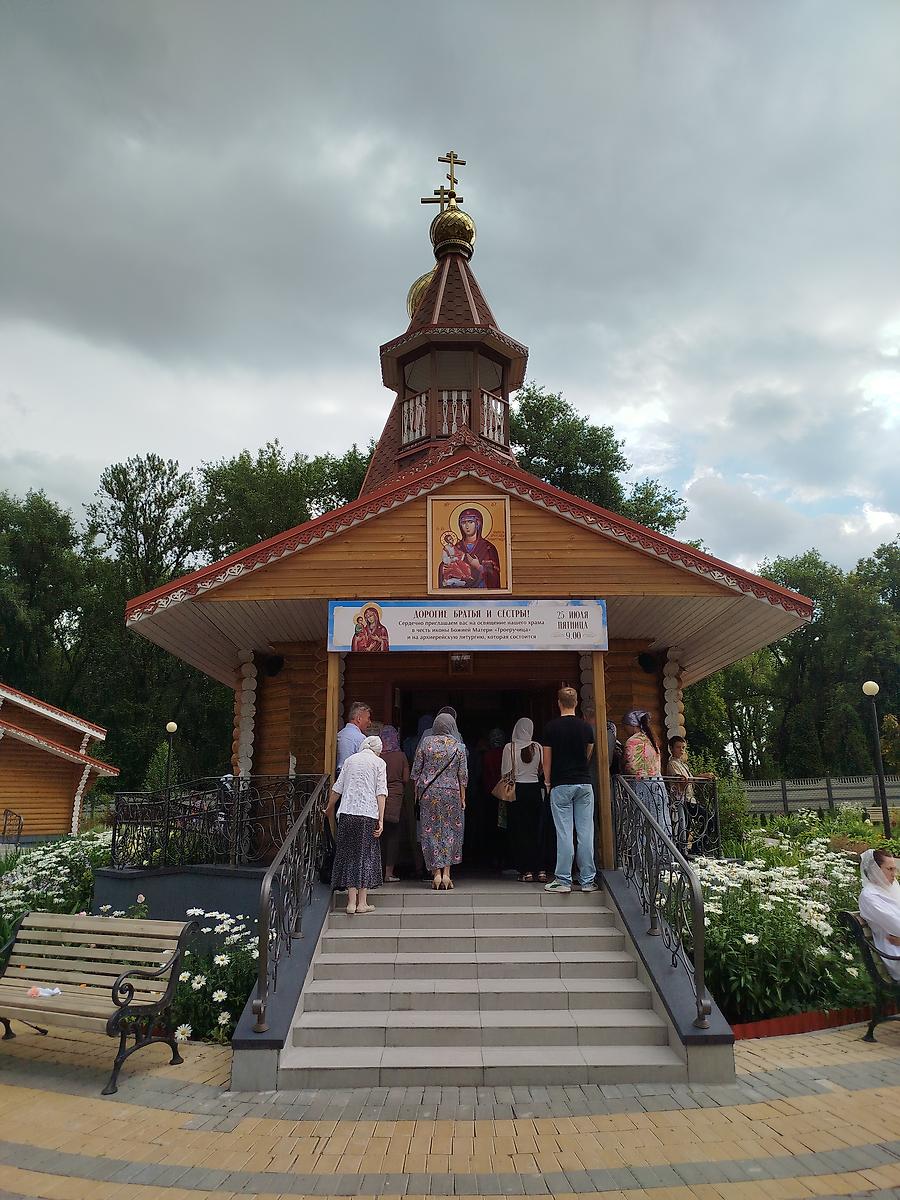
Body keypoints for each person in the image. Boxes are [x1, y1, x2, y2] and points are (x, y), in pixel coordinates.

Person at [541, 687, 597, 894]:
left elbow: (547, 759)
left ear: (559, 703)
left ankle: (563, 880)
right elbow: (588, 752)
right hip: (584, 783)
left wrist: (547, 782)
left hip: (561, 783)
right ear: (576, 703)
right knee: (585, 832)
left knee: (564, 833)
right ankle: (587, 880)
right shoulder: (586, 728)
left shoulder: (551, 728)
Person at [325, 735, 387, 915]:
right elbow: (381, 792)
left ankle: (350, 903)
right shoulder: (379, 763)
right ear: (377, 750)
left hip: (347, 814)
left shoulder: (350, 761)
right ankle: (362, 903)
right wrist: (381, 819)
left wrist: (329, 808)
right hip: (367, 815)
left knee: (349, 855)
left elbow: (338, 787)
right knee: (365, 857)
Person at [411, 712, 468, 890]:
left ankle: (436, 873)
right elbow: (463, 776)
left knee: (431, 831)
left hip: (429, 793)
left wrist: (416, 793)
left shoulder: (426, 743)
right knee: (451, 830)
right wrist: (463, 797)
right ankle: (447, 874)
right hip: (452, 793)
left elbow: (416, 772)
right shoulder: (458, 746)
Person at [502, 718, 544, 882]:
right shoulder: (538, 747)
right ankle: (540, 869)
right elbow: (541, 770)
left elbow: (505, 772)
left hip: (517, 791)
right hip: (534, 789)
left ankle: (526, 870)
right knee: (536, 830)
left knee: (520, 831)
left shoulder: (509, 748)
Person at [621, 710, 671, 838]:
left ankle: (642, 857)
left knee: (640, 824)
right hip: (658, 784)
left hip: (641, 786)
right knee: (659, 823)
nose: (624, 729)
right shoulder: (651, 740)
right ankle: (663, 856)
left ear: (632, 725)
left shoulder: (632, 742)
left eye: (625, 726)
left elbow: (631, 767)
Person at [667, 736, 716, 854]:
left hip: (690, 799)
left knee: (687, 826)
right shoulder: (672, 764)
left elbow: (689, 778)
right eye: (678, 747)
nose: (681, 750)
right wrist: (702, 776)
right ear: (671, 749)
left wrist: (702, 776)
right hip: (682, 800)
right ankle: (691, 849)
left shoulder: (682, 764)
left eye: (683, 747)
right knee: (704, 820)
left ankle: (692, 849)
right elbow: (682, 779)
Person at [858, 849, 900, 981]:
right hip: (895, 954)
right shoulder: (870, 897)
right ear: (875, 869)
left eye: (895, 869)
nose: (894, 874)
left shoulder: (890, 889)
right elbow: (898, 927)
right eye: (890, 869)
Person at [438, 508, 501, 590]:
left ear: (478, 524)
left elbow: (494, 576)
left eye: (470, 522)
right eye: (464, 523)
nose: (467, 526)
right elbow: (445, 567)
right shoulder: (456, 547)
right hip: (459, 593)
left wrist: (479, 566)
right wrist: (444, 568)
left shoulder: (488, 547)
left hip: (482, 593)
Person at [379, 725, 410, 882]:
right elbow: (406, 778)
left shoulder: (378, 755)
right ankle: (389, 873)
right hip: (396, 798)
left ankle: (377, 870)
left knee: (378, 836)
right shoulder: (401, 756)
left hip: (378, 798)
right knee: (393, 836)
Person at [336, 702, 371, 773]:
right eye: (368, 718)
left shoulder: (340, 734)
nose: (370, 722)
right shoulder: (360, 738)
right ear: (359, 719)